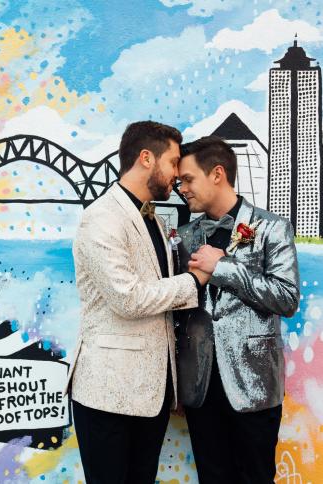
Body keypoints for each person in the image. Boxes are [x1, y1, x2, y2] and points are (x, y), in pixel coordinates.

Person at [67, 121, 209, 484]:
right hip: (108, 395)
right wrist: (193, 281)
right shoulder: (101, 218)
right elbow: (127, 298)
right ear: (147, 158)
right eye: (174, 162)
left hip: (151, 394)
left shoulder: (151, 218)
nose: (177, 175)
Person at [175, 135, 300, 484]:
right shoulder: (184, 237)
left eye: (187, 179)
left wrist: (225, 268)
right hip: (200, 387)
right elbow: (179, 312)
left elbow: (287, 298)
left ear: (217, 174)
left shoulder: (272, 227)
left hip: (254, 385)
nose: (181, 188)